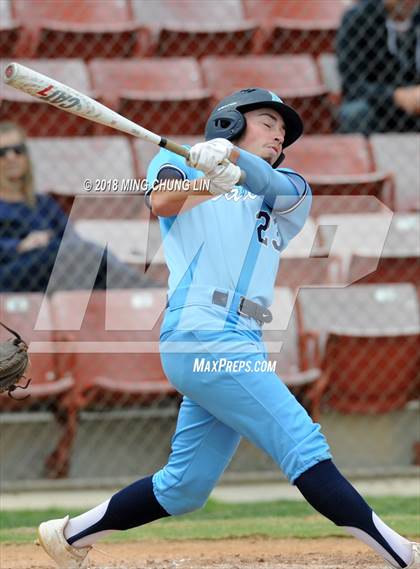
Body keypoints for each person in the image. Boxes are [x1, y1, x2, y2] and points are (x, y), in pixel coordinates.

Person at [36, 89, 419, 569]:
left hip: (242, 339)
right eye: (266, 121)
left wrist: (233, 159)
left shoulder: (291, 186)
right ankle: (403, 554)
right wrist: (207, 180)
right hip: (200, 333)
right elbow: (163, 203)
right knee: (302, 442)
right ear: (228, 121)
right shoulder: (173, 161)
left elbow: (269, 185)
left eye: (283, 131)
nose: (278, 134)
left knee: (185, 487)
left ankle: (68, 536)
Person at [0, 121, 143, 293]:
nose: (11, 157)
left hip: (52, 268)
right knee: (84, 254)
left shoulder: (42, 204)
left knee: (86, 258)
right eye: (2, 153)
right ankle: (150, 292)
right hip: (10, 272)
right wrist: (19, 245)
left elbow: (71, 238)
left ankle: (146, 297)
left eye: (18, 150)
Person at [337, 0, 420, 134]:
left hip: (416, 105)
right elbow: (352, 85)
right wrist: (397, 96)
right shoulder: (359, 18)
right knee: (355, 113)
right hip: (376, 105)